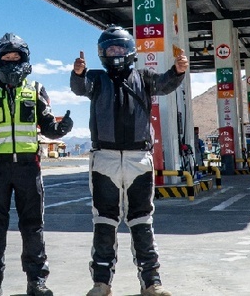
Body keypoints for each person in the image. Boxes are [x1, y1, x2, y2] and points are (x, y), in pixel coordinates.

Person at [70, 26, 188, 296]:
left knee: (142, 220)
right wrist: (77, 74)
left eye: (120, 48)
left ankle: (151, 282)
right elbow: (80, 87)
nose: (116, 53)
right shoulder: (95, 78)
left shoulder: (144, 77)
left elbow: (164, 83)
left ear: (131, 51)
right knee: (104, 220)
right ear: (102, 53)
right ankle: (101, 283)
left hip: (139, 159)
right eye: (110, 48)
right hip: (104, 159)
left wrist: (177, 71)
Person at [0, 33, 73, 296]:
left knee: (33, 226)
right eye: (6, 58)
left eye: (15, 57)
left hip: (28, 169)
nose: (11, 62)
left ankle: (36, 281)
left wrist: (61, 128)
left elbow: (48, 127)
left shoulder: (36, 89)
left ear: (24, 60)